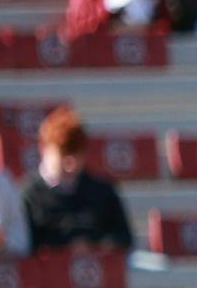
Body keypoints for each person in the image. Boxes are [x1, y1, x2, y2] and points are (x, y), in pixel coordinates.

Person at [21, 106, 131, 252]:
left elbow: (124, 238)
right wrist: (64, 248)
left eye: (76, 154)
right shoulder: (30, 196)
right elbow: (26, 245)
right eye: (64, 154)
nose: (71, 163)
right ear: (44, 149)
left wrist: (95, 246)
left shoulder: (102, 191)